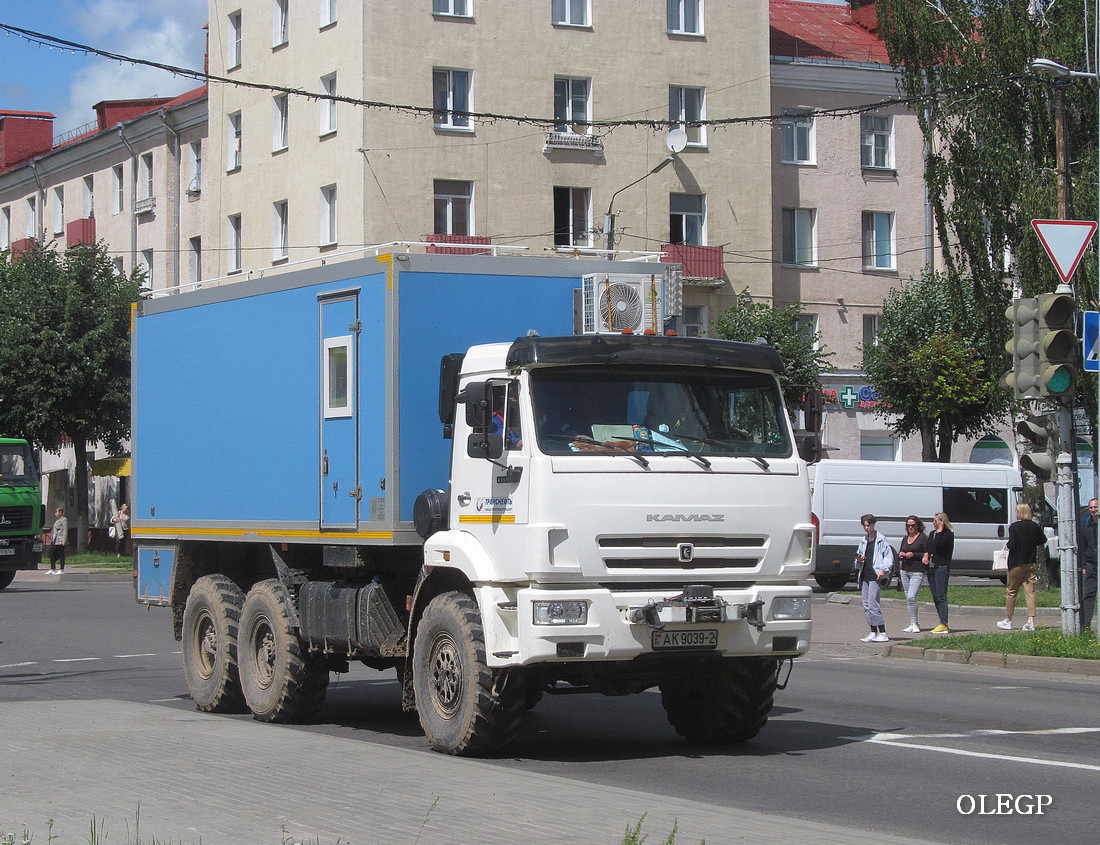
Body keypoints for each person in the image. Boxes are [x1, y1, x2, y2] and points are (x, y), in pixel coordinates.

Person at [998, 502, 1045, 632]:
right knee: (1030, 592)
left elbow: (1012, 545)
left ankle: (1008, 620)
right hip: (1030, 562)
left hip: (1016, 563)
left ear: (1019, 512)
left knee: (1012, 591)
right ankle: (1031, 621)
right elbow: (1043, 540)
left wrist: (1008, 544)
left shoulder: (1014, 527)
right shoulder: (1034, 526)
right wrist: (1031, 542)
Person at [855, 514, 893, 643]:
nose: (867, 528)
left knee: (873, 604)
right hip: (865, 574)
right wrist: (859, 560)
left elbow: (888, 556)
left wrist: (883, 569)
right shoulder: (864, 540)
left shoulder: (881, 539)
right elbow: (859, 557)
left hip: (875, 575)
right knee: (866, 605)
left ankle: (883, 632)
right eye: (865, 525)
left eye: (869, 525)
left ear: (873, 524)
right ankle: (873, 631)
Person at [925, 512, 955, 633]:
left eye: (936, 520)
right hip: (932, 567)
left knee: (941, 595)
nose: (933, 523)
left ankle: (944, 622)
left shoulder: (948, 534)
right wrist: (926, 555)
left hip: (942, 566)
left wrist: (941, 530)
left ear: (942, 521)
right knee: (935, 595)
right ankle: (942, 621)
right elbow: (929, 547)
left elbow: (940, 545)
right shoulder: (932, 534)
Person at [897, 515, 928, 633]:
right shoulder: (905, 539)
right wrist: (901, 554)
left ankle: (915, 623)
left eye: (913, 525)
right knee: (908, 598)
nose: (911, 528)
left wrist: (914, 554)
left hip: (917, 571)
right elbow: (901, 551)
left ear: (918, 526)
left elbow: (927, 552)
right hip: (904, 570)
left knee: (911, 596)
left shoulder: (923, 538)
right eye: (908, 525)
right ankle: (913, 622)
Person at [1080, 499, 1098, 630]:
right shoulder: (1086, 525)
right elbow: (1082, 546)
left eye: (1095, 507)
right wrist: (1084, 565)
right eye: (1091, 508)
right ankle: (1086, 625)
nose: (1093, 510)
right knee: (1089, 594)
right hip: (1091, 565)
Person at [47, 507, 68, 575]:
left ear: (61, 513)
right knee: (51, 554)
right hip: (55, 539)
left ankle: (61, 569)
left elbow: (65, 530)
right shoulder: (57, 520)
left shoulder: (64, 520)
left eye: (57, 512)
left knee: (61, 554)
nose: (55, 513)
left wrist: (64, 540)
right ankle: (52, 569)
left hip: (60, 540)